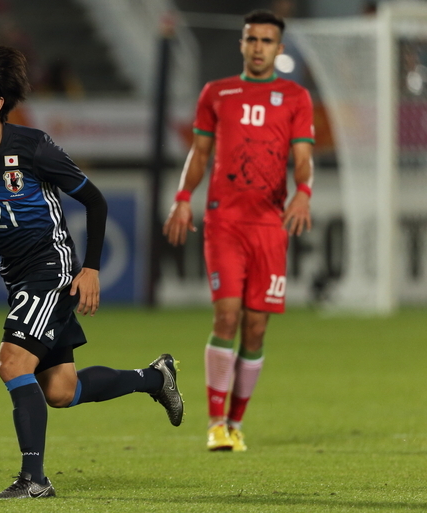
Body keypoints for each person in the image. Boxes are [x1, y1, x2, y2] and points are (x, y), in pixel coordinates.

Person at [0, 45, 184, 499]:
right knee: (60, 389)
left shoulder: (32, 147)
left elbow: (95, 200)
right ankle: (156, 377)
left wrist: (90, 268)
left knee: (11, 362)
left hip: (51, 270)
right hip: (19, 279)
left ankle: (33, 480)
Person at [163, 10, 314, 452]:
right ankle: (214, 424)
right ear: (242, 43)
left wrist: (303, 191)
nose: (259, 47)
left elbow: (302, 155)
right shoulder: (217, 93)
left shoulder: (295, 97)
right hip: (224, 221)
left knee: (256, 328)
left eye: (268, 40)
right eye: (252, 39)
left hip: (269, 224)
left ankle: (235, 422)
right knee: (227, 315)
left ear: (279, 48)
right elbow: (200, 153)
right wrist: (183, 197)